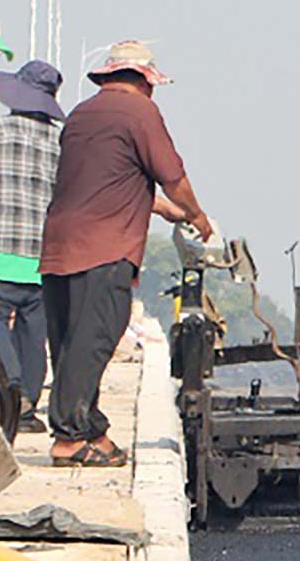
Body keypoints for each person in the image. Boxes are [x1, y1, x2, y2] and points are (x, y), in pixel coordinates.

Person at [39, 42, 210, 468]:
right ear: (144, 81)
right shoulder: (140, 112)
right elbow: (173, 176)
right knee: (95, 337)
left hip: (60, 244)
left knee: (68, 341)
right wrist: (196, 214)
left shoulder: (81, 114)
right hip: (104, 245)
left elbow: (108, 179)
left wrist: (166, 210)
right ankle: (69, 437)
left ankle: (90, 428)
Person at [0, 62, 67, 433]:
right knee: (35, 335)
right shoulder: (62, 145)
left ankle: (9, 388)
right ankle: (29, 407)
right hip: (42, 260)